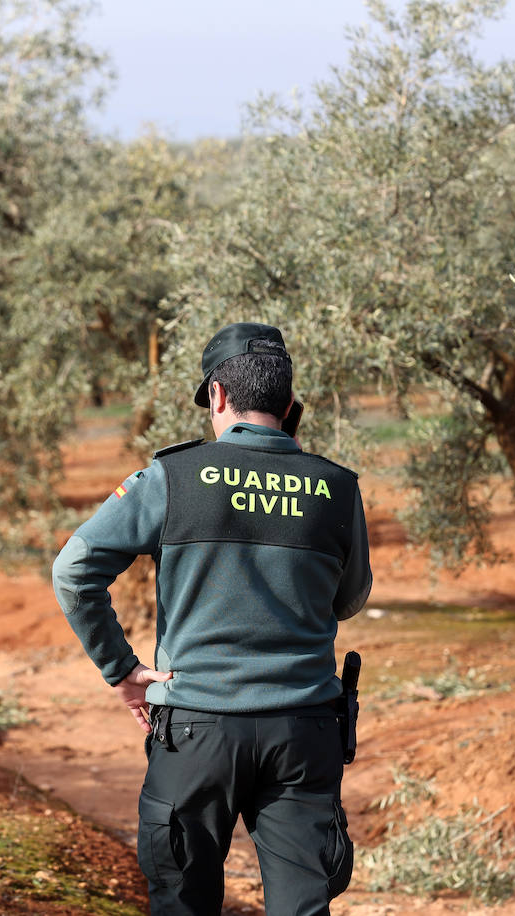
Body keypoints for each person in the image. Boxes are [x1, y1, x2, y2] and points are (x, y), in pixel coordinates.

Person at [52, 322, 371, 915]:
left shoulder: (172, 477)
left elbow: (73, 572)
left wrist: (121, 669)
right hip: (303, 730)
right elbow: (348, 603)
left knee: (182, 904)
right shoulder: (338, 488)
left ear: (218, 395)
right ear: (289, 403)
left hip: (195, 732)